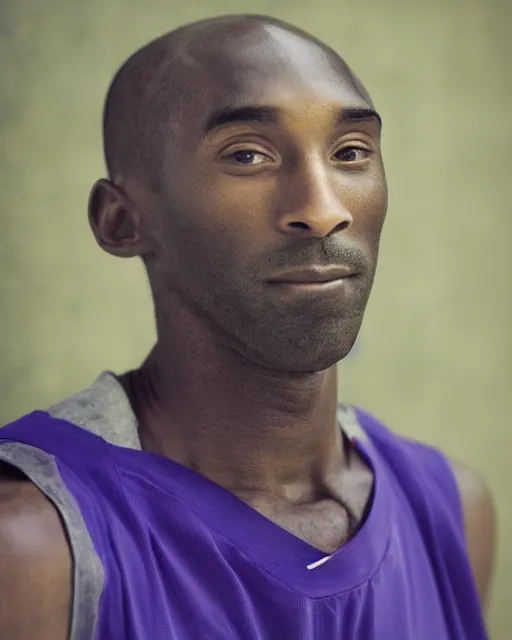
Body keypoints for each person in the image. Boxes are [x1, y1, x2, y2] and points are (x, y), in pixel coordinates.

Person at [0, 14, 495, 640]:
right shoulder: (31, 545)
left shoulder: (452, 511)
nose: (323, 209)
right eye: (248, 155)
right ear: (122, 221)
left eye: (350, 153)